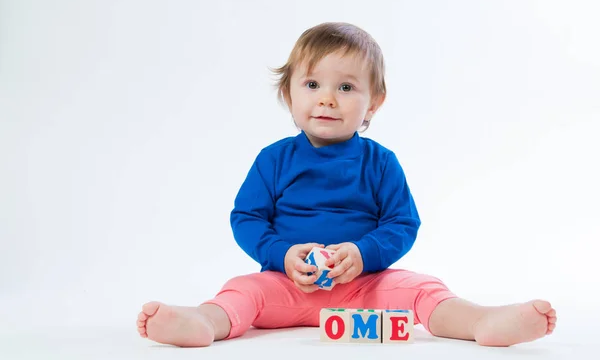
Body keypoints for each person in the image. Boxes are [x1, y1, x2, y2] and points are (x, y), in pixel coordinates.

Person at [136, 22, 557, 347]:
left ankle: (480, 321)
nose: (327, 99)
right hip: (285, 287)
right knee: (242, 290)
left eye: (346, 87)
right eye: (313, 84)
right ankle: (203, 323)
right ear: (289, 94)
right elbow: (247, 219)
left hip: (365, 288)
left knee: (421, 288)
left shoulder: (380, 162)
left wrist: (362, 252)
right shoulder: (274, 159)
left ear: (374, 102)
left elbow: (401, 223)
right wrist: (282, 256)